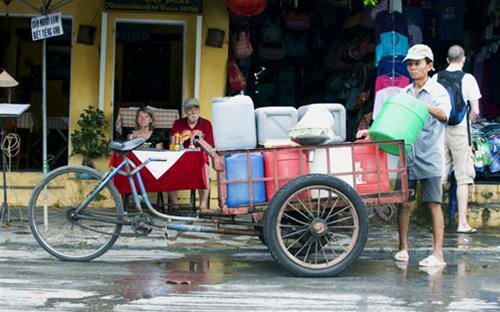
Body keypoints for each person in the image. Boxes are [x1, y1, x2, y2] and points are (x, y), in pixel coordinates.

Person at [359, 44, 451, 267]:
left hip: (430, 156)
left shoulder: (438, 92)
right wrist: (369, 132)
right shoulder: (404, 92)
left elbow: (445, 114)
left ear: (429, 66)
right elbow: (391, 120)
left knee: (433, 204)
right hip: (407, 156)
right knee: (404, 203)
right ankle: (403, 248)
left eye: (417, 63)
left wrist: (424, 107)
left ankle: (438, 254)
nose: (412, 67)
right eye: (410, 64)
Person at [432, 45, 481, 234]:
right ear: (464, 59)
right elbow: (475, 110)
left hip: (440, 129)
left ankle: (438, 223)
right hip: (461, 130)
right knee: (463, 177)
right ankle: (462, 223)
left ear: (446, 59)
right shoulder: (468, 78)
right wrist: (469, 123)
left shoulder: (436, 78)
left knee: (439, 174)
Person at [168, 97, 214, 210]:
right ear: (185, 111)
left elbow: (211, 148)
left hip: (200, 161)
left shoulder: (206, 124)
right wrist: (182, 138)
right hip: (180, 161)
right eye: (190, 109)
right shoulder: (178, 123)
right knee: (168, 171)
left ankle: (202, 206)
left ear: (199, 110)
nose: (193, 112)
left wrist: (200, 139)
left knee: (205, 171)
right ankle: (175, 206)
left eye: (196, 108)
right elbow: (172, 146)